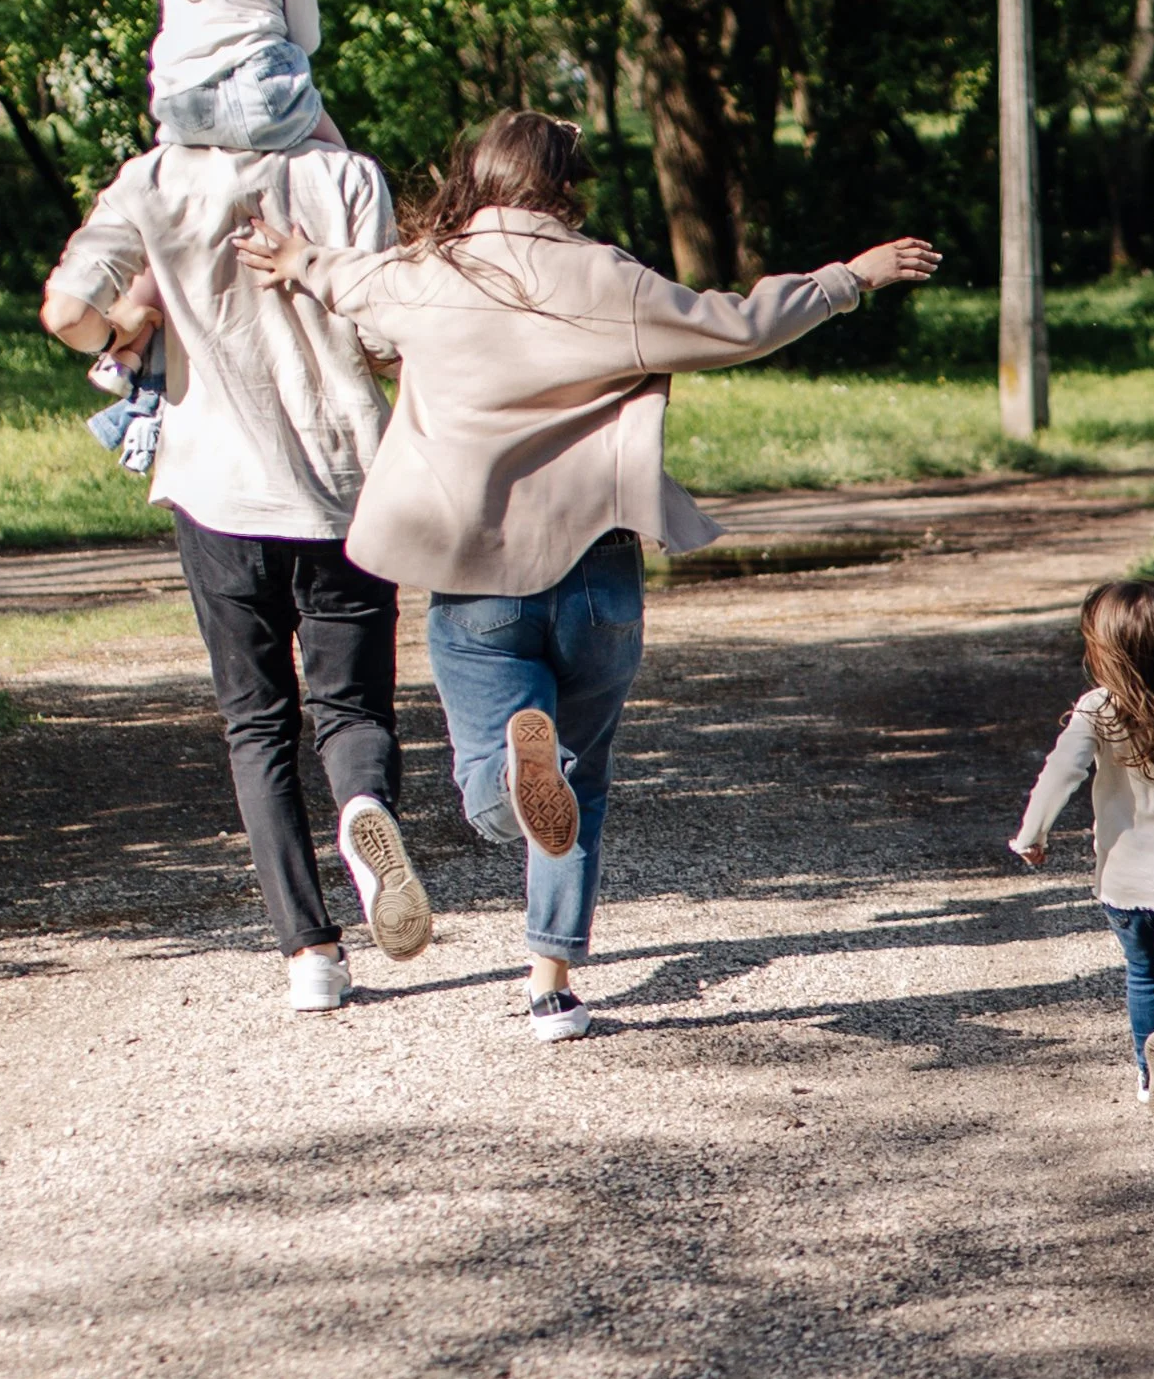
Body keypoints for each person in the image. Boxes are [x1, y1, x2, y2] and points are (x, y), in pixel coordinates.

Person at [233, 108, 941, 1042]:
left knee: (501, 790)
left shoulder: (425, 275)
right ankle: (551, 986)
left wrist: (294, 258)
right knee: (582, 783)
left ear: (477, 178)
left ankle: (517, 773)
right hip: (596, 569)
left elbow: (342, 278)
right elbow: (738, 325)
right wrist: (849, 278)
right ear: (567, 187)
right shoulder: (611, 278)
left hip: (477, 575)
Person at [38, 137, 434, 1014]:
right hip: (342, 487)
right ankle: (365, 807)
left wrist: (124, 331)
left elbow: (67, 311)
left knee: (256, 724)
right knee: (353, 709)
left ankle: (311, 953)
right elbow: (380, 335)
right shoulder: (348, 175)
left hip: (218, 489)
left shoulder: (155, 177)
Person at [92, 0, 349, 390]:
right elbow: (304, 40)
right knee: (348, 167)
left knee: (167, 206)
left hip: (179, 103)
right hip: (261, 93)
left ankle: (127, 344)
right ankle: (340, 279)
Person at [1008, 577, 1154, 1128]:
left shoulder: (1098, 710)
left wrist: (1032, 835)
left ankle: (1147, 1072)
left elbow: (1060, 773)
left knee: (1142, 971)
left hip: (1122, 881)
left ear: (1108, 652)